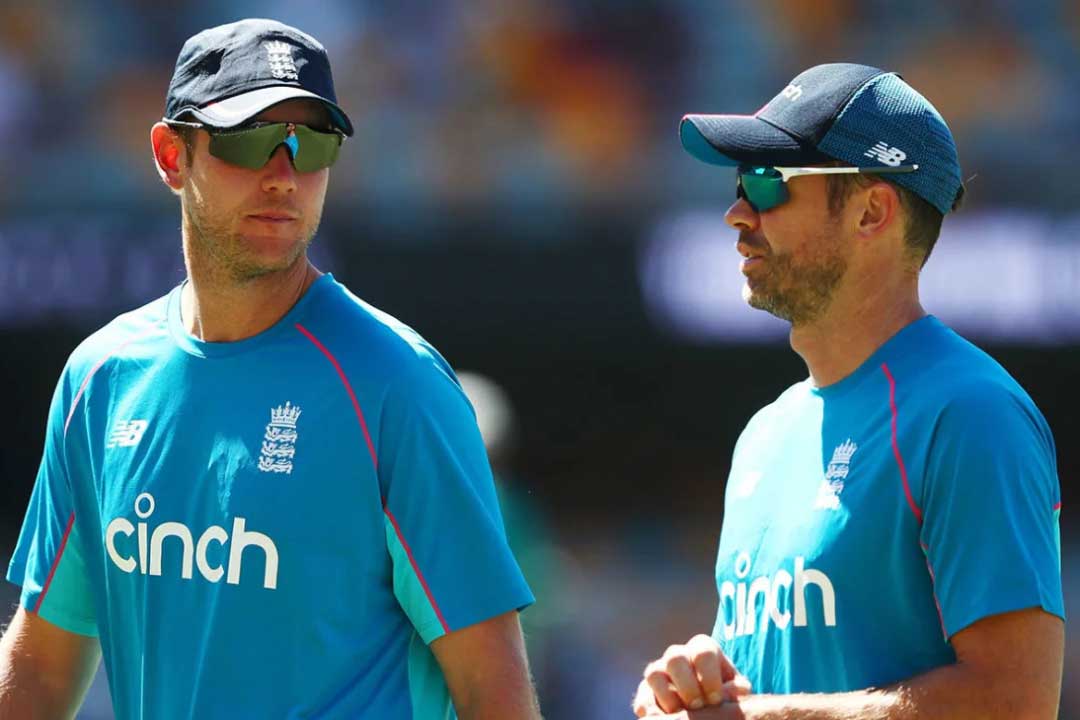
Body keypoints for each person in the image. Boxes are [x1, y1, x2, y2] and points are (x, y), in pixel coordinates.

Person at [0, 19, 540, 720]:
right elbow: (39, 673)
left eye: (310, 144)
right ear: (171, 155)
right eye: (248, 139)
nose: (283, 175)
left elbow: (494, 695)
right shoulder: (99, 379)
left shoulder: (399, 386)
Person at [634, 63, 1064, 718]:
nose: (736, 212)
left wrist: (760, 718)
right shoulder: (764, 436)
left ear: (871, 211)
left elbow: (1015, 702)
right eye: (739, 181)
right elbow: (757, 698)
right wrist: (690, 692)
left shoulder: (971, 413)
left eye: (767, 182)